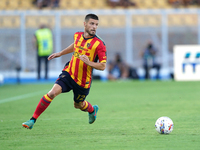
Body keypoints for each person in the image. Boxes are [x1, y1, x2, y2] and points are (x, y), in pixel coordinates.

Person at [22, 14, 107, 129]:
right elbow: (75, 45)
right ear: (85, 24)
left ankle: (92, 110)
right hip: (69, 73)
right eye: (92, 24)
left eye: (96, 24)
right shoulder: (77, 35)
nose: (94, 27)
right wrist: (60, 53)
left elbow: (102, 66)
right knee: (52, 93)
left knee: (78, 105)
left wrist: (89, 62)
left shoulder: (99, 44)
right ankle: (32, 120)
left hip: (83, 81)